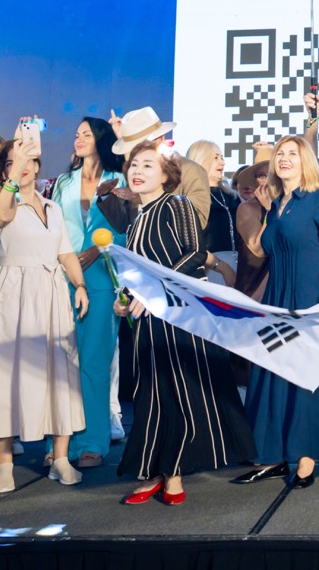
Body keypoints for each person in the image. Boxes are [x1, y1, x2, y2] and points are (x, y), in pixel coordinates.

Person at [110, 141, 256, 506]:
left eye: (148, 164)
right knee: (152, 393)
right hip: (149, 320)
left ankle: (172, 472)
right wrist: (125, 298)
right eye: (134, 165)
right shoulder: (136, 220)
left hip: (180, 315)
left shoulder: (177, 205)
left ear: (166, 175)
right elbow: (137, 273)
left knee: (178, 391)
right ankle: (152, 471)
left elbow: (193, 254)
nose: (137, 170)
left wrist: (151, 292)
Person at [233, 135, 319, 489]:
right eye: (280, 153)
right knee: (275, 372)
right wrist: (266, 211)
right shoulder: (277, 204)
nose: (284, 158)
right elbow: (261, 249)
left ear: (305, 160)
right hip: (278, 297)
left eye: (292, 153)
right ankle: (273, 457)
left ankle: (306, 459)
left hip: (312, 297)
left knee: (309, 375)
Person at [0, 136, 88, 492]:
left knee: (59, 373)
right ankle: (4, 463)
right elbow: (1, 216)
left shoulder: (53, 207)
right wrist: (11, 180)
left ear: (38, 165)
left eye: (28, 160)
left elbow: (65, 253)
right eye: (12, 162)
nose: (22, 167)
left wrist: (79, 285)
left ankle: (60, 458)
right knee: (6, 375)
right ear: (4, 170)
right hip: (13, 294)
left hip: (51, 293)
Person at [46, 117, 127, 466]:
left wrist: (97, 249)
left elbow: (128, 229)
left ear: (102, 139)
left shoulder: (120, 178)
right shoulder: (64, 181)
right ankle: (59, 444)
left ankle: (93, 441)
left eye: (87, 134)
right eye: (76, 134)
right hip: (64, 274)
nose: (79, 139)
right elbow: (53, 226)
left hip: (103, 275)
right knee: (62, 361)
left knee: (94, 360)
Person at [109, 107, 210, 228]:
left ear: (161, 138)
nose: (139, 151)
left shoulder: (190, 170)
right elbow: (124, 224)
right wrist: (106, 196)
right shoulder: (137, 172)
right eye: (134, 147)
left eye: (144, 144)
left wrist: (149, 200)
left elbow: (198, 221)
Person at [185, 139, 239, 285]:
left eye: (222, 157)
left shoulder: (233, 197)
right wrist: (220, 267)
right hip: (211, 269)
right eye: (216, 158)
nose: (222, 162)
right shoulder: (191, 198)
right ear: (200, 160)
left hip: (240, 267)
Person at [232, 145, 273, 302]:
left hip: (286, 289)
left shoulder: (290, 205)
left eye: (271, 173)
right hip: (253, 293)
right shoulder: (247, 208)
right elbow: (259, 249)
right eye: (261, 175)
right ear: (255, 180)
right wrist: (270, 211)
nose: (266, 180)